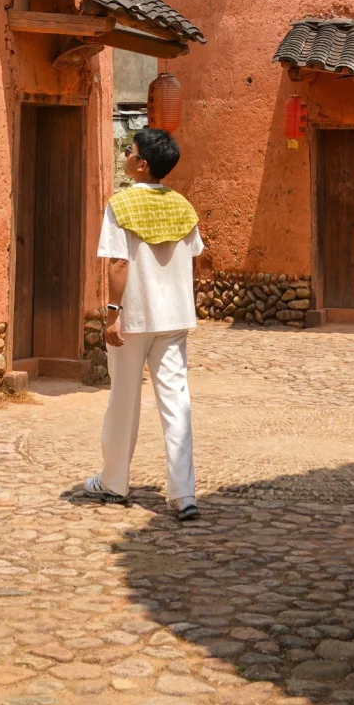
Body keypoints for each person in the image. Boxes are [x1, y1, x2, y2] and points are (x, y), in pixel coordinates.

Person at [83, 126, 202, 520]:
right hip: (174, 318)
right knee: (176, 401)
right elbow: (193, 255)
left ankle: (114, 482)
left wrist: (113, 314)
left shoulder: (121, 206)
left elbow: (118, 263)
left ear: (142, 164)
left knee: (123, 399)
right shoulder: (184, 207)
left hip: (134, 319)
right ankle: (183, 494)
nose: (125, 156)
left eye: (129, 151)